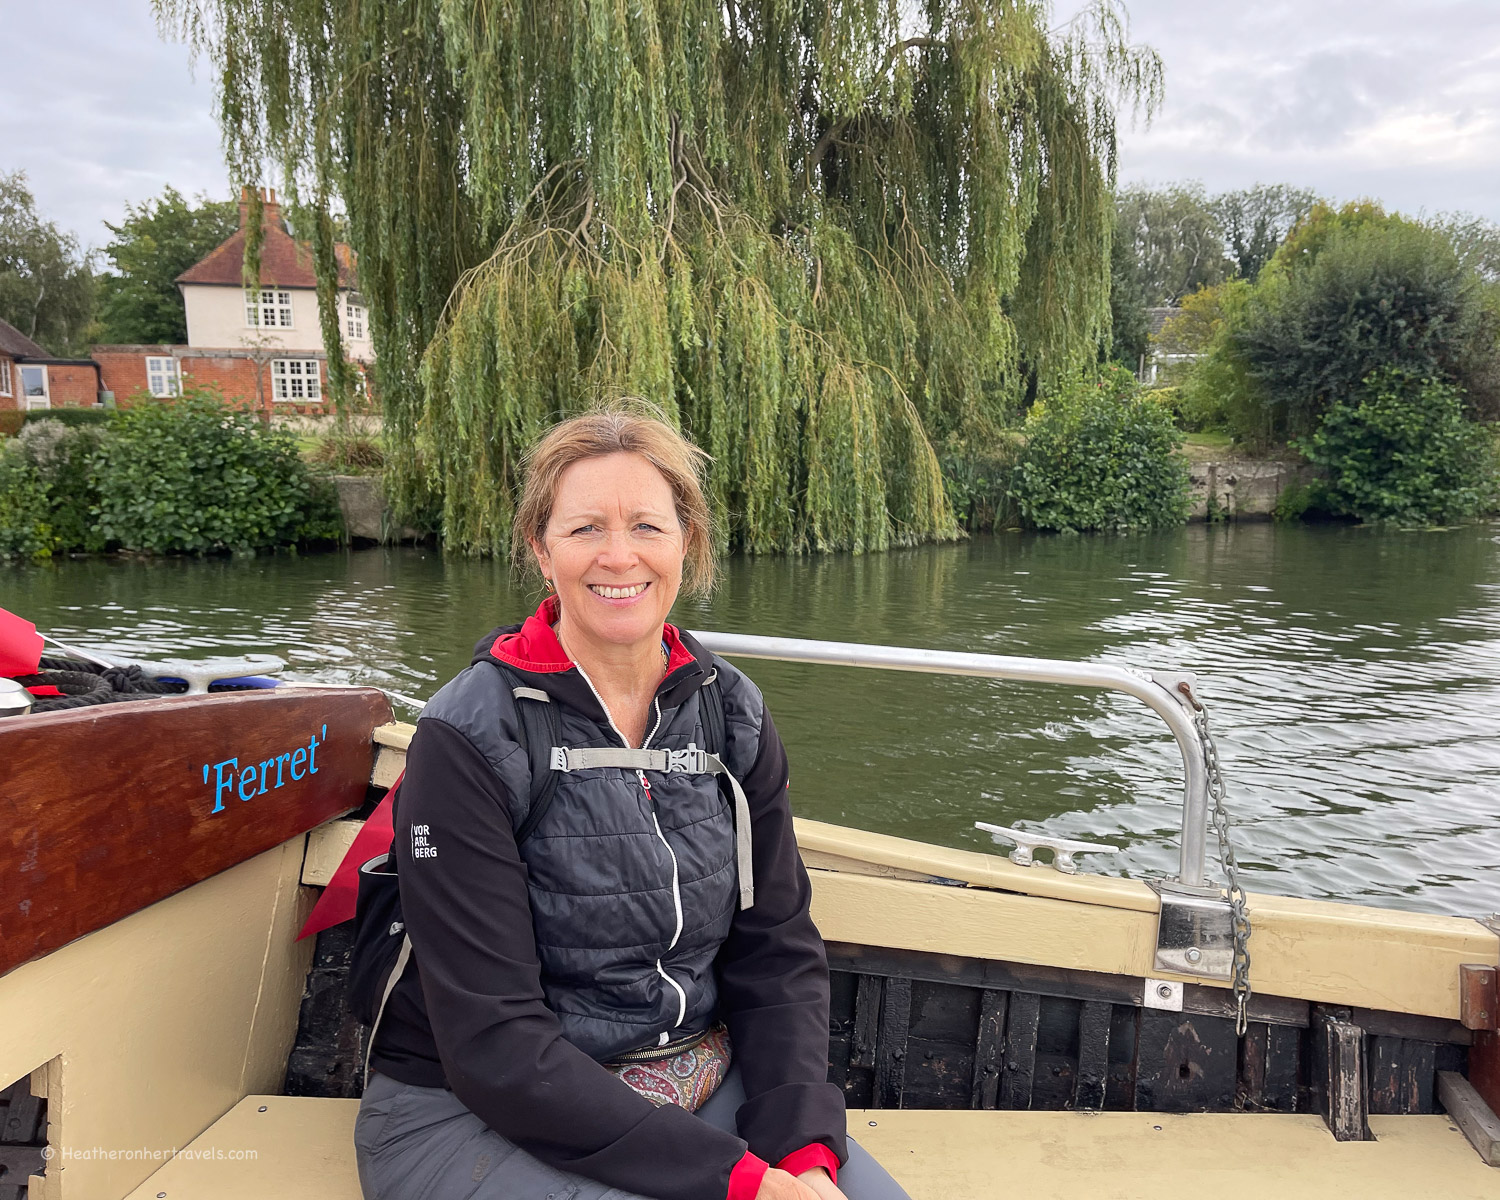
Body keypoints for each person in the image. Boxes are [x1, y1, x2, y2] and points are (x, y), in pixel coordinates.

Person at [353, 406, 911, 1200]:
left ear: (687, 541)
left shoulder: (731, 711)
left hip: (691, 1077)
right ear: (541, 550)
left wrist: (800, 1151)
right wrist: (742, 1184)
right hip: (470, 1108)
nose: (619, 556)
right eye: (585, 529)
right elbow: (494, 1039)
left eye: (647, 525)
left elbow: (776, 949)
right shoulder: (470, 737)